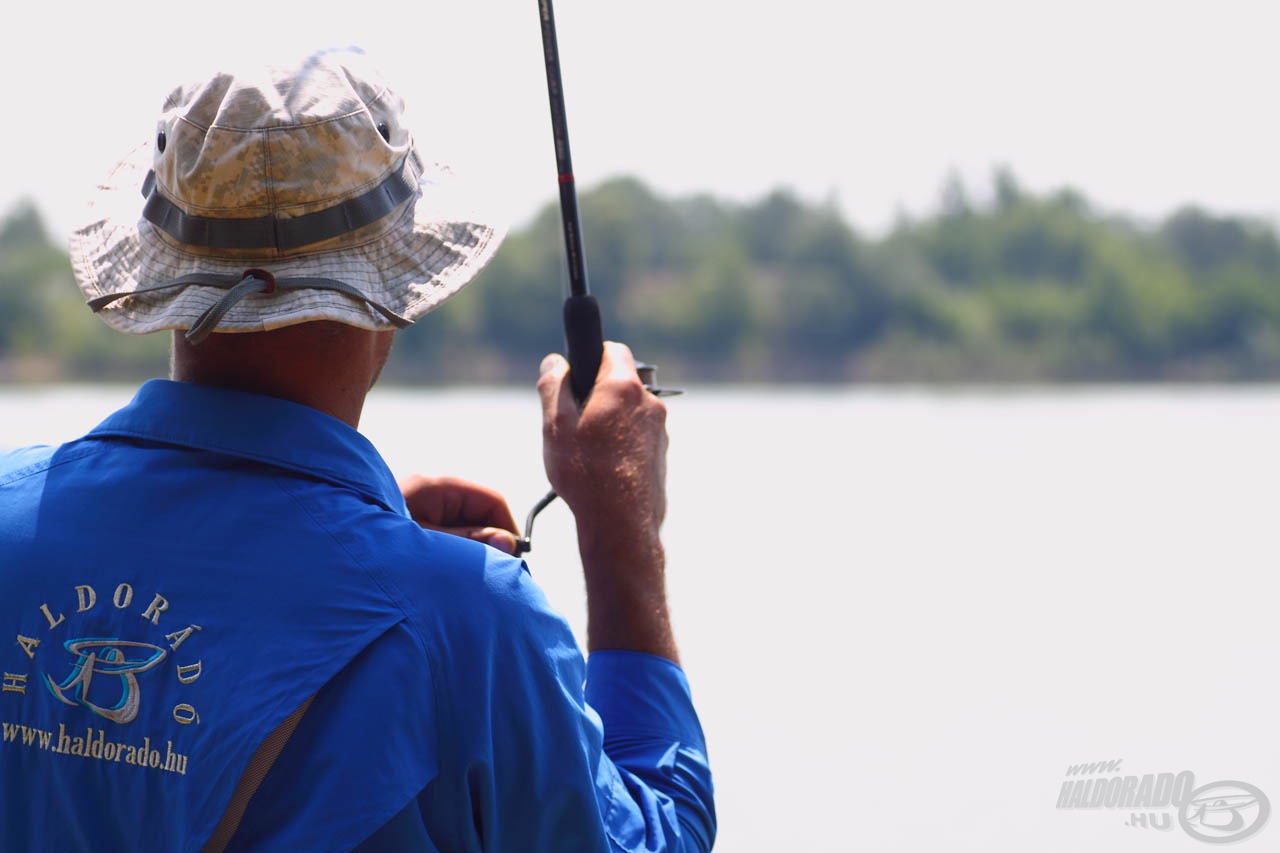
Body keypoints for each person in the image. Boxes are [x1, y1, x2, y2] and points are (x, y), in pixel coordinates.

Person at [0, 51, 715, 851]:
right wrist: (622, 535)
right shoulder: (471, 624)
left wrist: (366, 542)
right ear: (397, 287)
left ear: (167, 271)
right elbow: (660, 833)